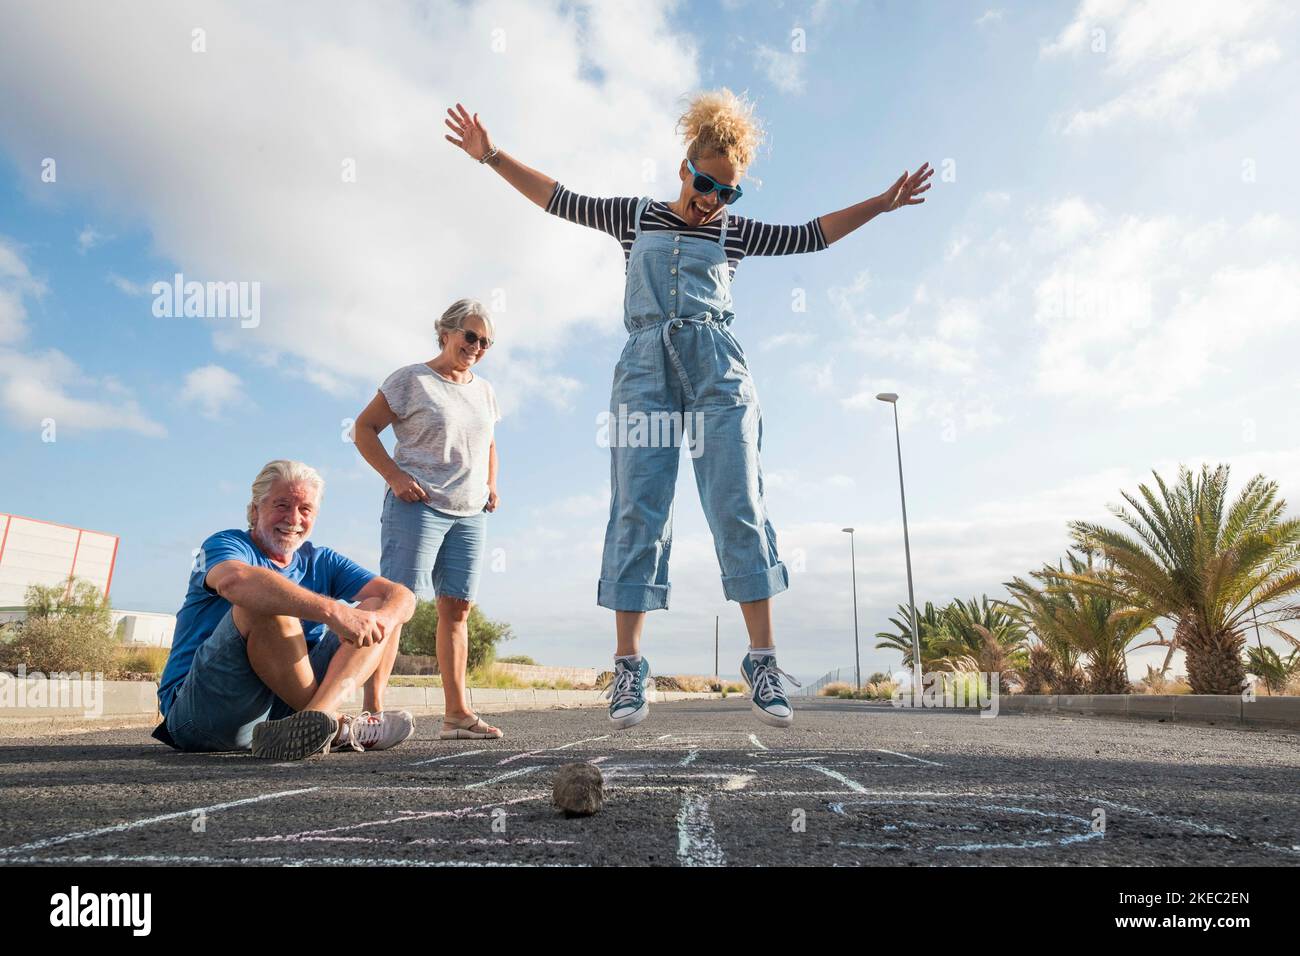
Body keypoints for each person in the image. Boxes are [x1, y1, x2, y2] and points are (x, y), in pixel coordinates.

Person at [444, 89, 931, 729]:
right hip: (645, 370)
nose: (714, 200)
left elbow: (812, 235)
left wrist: (882, 203)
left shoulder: (733, 231)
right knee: (638, 505)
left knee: (738, 502)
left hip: (716, 373)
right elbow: (559, 199)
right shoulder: (633, 216)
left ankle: (761, 660)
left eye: (728, 192)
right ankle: (628, 669)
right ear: (685, 169)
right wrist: (492, 156)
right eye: (706, 184)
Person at [154, 459, 417, 760]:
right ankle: (338, 726)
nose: (293, 519)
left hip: (276, 716)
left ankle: (316, 721)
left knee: (382, 607)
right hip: (202, 712)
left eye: (305, 509)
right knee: (265, 601)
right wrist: (335, 612)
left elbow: (402, 596)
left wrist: (382, 618)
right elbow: (234, 580)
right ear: (255, 510)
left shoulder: (321, 559)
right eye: (281, 505)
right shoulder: (225, 544)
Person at [353, 298, 505, 740]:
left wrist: (492, 484)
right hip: (417, 505)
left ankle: (456, 715)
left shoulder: (485, 390)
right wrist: (394, 475)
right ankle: (372, 713)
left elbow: (490, 443)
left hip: (470, 512)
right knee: (396, 605)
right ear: (446, 333)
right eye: (470, 336)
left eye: (486, 342)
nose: (477, 346)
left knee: (457, 610)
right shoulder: (410, 380)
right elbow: (363, 428)